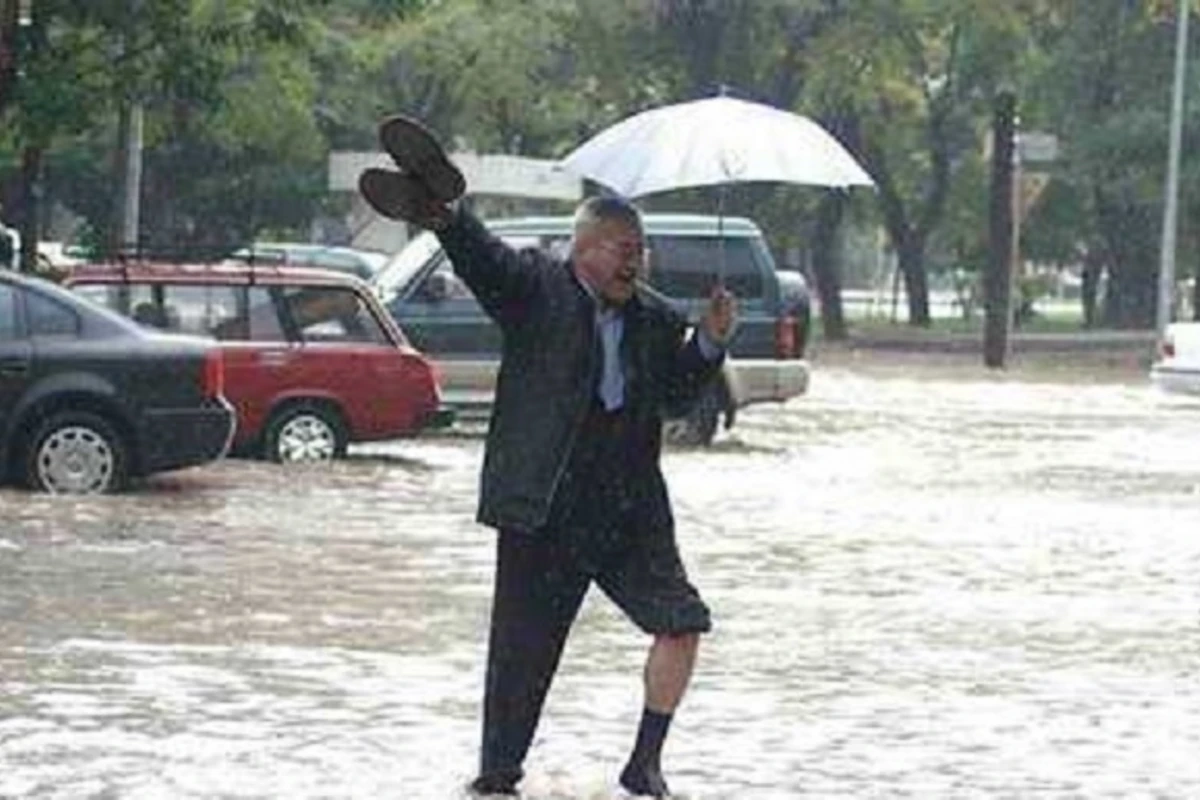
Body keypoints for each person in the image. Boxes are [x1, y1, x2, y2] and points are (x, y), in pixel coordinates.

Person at [360, 116, 736, 798]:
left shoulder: (655, 316)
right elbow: (485, 261)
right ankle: (496, 780)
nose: (635, 261)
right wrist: (451, 219)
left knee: (683, 623)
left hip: (630, 509)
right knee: (520, 660)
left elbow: (678, 399)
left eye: (641, 251)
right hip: (545, 505)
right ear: (584, 250)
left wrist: (709, 342)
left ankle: (644, 765)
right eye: (623, 249)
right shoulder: (536, 293)